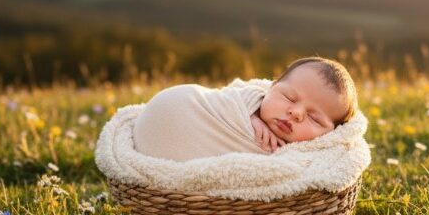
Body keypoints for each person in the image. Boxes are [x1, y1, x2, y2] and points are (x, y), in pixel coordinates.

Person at [132, 56, 358, 162]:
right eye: (288, 97)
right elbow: (233, 96)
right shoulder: (249, 98)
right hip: (178, 107)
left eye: (315, 120)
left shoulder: (300, 159)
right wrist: (249, 114)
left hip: (175, 154)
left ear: (331, 135)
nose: (296, 113)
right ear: (272, 87)